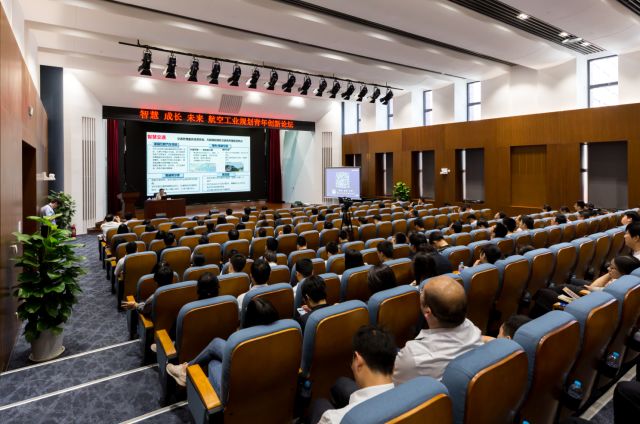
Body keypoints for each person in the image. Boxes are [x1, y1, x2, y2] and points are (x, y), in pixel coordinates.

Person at [166, 297, 279, 387]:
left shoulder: (242, 343)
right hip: (267, 382)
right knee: (216, 345)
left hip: (239, 390)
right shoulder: (280, 335)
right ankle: (185, 370)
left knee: (213, 362)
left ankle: (185, 372)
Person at [393, 275, 483, 383]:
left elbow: (396, 383)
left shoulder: (413, 356)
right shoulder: (473, 329)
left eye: (422, 291)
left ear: (427, 312)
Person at [312, 326, 397, 424]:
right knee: (341, 383)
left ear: (358, 360)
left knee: (318, 404)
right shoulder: (408, 393)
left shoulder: (333, 419)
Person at [530, 255, 640, 318]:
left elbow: (596, 289)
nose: (608, 269)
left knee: (543, 293)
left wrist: (592, 289)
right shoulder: (626, 282)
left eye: (612, 268)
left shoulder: (616, 286)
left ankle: (533, 317)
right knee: (562, 287)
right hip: (591, 298)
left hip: (584, 306)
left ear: (624, 272)